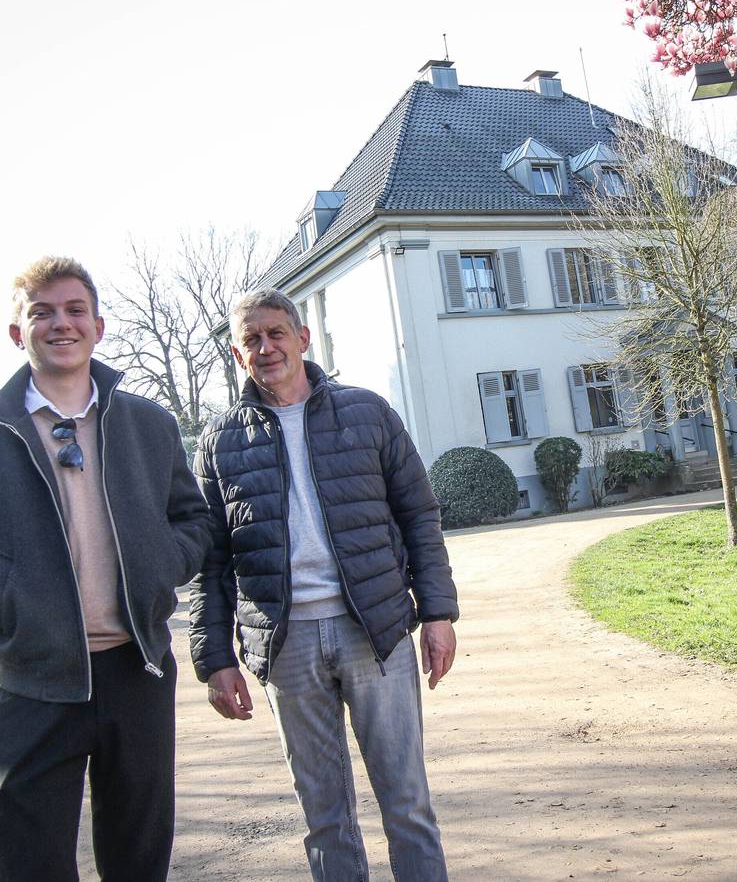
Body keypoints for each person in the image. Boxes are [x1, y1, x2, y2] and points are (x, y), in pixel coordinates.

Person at [190, 287, 459, 881]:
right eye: (251, 340)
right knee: (324, 816)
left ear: (302, 338)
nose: (266, 348)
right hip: (286, 647)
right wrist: (215, 660)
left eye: (276, 333)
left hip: (375, 632)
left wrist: (437, 613)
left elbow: (419, 515)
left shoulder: (368, 413)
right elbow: (211, 560)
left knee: (407, 803)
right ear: (237, 355)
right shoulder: (219, 442)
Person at [0, 256, 211, 882]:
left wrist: (160, 564)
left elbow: (192, 519)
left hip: (137, 669)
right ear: (16, 331)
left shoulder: (150, 424)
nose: (60, 324)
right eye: (41, 312)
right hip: (29, 678)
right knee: (30, 862)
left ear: (98, 326)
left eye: (75, 310)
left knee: (138, 857)